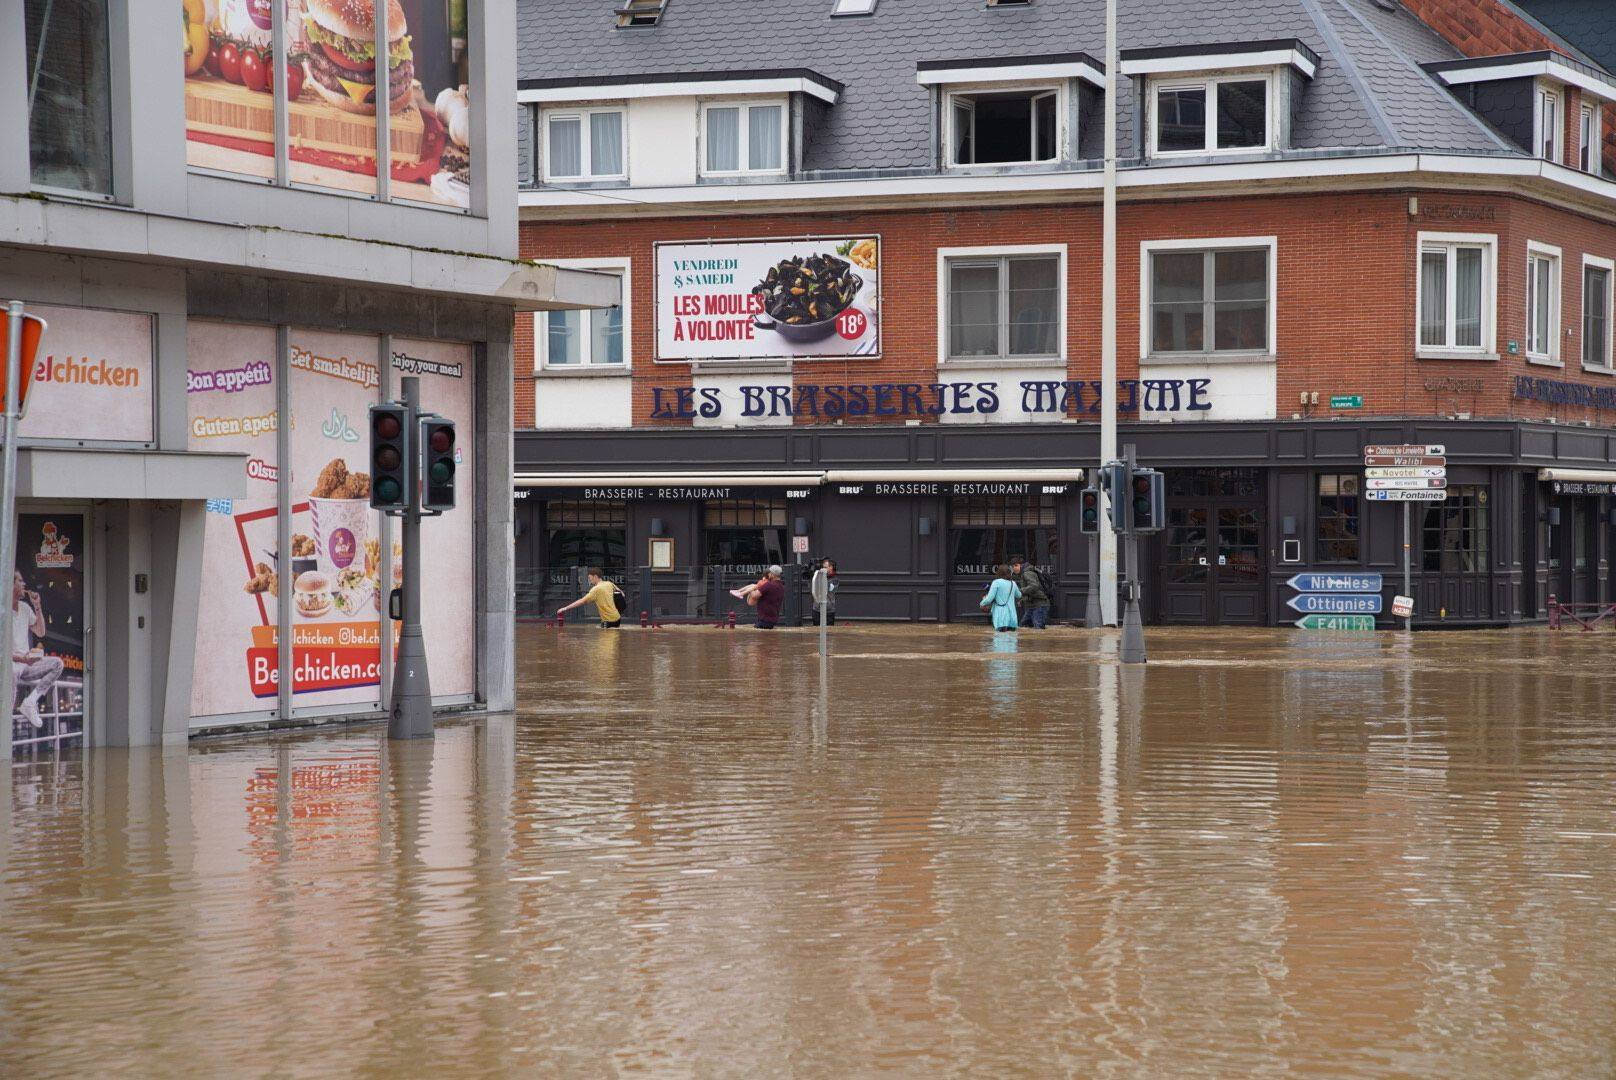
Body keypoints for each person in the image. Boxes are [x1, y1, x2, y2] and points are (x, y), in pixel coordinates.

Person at [11, 571, 62, 728]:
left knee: (57, 664)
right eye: (20, 581)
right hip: (11, 663)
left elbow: (40, 632)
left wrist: (37, 606)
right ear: (11, 585)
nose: (24, 584)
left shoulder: (25, 608)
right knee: (11, 672)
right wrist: (22, 658)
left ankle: (30, 702)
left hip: (26, 664)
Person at [557, 567, 624, 628]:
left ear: (595, 576)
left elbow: (582, 601)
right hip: (617, 618)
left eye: (589, 577)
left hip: (608, 621)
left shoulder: (596, 589)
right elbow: (622, 594)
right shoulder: (609, 583)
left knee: (605, 640)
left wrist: (565, 608)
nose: (589, 580)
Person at [1010, 554, 1051, 629]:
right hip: (1032, 605)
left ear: (1018, 565)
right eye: (1012, 567)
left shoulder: (1027, 573)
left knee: (1038, 629)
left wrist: (1020, 591)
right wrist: (1022, 600)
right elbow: (1031, 590)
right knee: (1023, 627)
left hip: (1039, 605)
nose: (1013, 569)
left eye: (1014, 567)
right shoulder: (1024, 573)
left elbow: (1034, 586)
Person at [980, 564, 1022, 633]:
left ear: (999, 573)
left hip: (1000, 618)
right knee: (1011, 641)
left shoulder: (996, 582)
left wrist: (982, 603)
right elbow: (1019, 595)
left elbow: (989, 599)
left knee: (1000, 640)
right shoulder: (1013, 583)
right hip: (1012, 618)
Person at [750, 565, 786, 629]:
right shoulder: (782, 587)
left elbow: (754, 596)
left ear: (772, 574)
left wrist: (752, 588)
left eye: (769, 573)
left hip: (764, 620)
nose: (768, 574)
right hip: (773, 619)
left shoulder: (768, 585)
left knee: (761, 637)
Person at [809, 557, 837, 626]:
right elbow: (811, 588)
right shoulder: (818, 576)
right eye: (823, 567)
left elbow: (827, 588)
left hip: (829, 610)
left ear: (831, 567)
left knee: (829, 632)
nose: (823, 569)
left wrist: (822, 575)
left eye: (825, 567)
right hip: (817, 609)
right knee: (816, 631)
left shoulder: (835, 579)